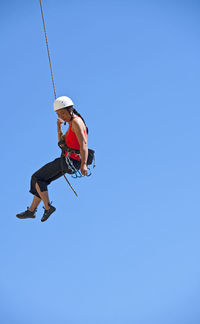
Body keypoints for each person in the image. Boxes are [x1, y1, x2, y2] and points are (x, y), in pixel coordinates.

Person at [16, 96, 88, 222]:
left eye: (63, 113)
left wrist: (84, 164)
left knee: (37, 177)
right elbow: (62, 142)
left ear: (71, 109)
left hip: (70, 162)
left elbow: (84, 144)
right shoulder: (72, 124)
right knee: (40, 182)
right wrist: (59, 128)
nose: (62, 116)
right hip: (69, 162)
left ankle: (47, 207)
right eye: (59, 114)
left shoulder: (76, 122)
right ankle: (31, 211)